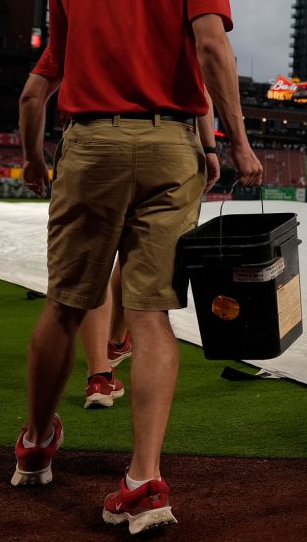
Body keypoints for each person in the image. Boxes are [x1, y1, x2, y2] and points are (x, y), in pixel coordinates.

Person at [12, 0, 263, 536]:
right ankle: (144, 479)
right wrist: (231, 143)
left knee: (66, 305)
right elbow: (210, 48)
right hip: (170, 143)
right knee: (150, 315)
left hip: (88, 142)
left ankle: (36, 447)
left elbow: (38, 90)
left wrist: (35, 164)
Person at [77, 106, 220, 409]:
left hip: (96, 135)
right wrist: (211, 147)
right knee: (149, 294)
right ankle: (146, 457)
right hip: (169, 140)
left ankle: (99, 375)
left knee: (95, 267)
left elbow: (33, 95)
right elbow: (205, 83)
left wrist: (32, 155)